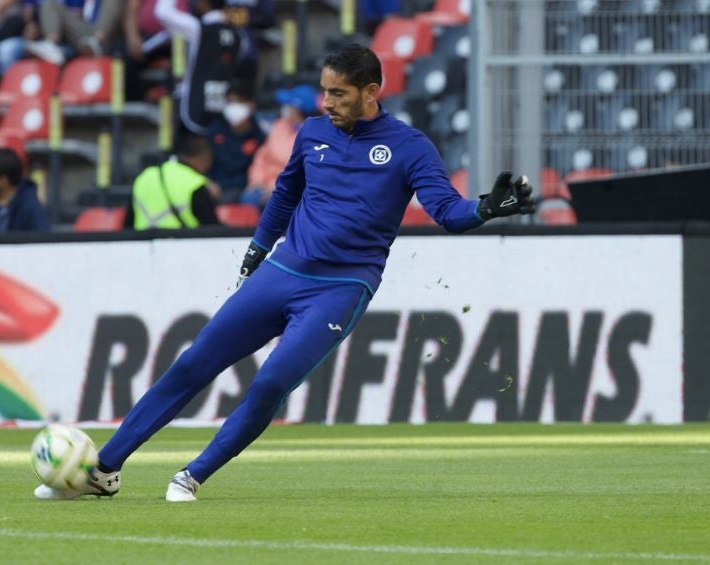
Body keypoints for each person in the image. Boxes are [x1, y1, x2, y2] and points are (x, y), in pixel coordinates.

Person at [33, 43, 534, 503]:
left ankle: (193, 474)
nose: (327, 102)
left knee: (270, 382)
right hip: (283, 270)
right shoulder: (311, 133)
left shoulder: (409, 147)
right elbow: (285, 196)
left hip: (342, 287)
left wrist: (487, 207)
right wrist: (256, 251)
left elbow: (447, 212)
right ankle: (105, 470)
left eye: (339, 93)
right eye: (324, 91)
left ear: (371, 93)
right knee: (194, 363)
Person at [155, 0, 247, 134]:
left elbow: (162, 12)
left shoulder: (198, 29)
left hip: (193, 108)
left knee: (186, 152)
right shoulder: (239, 36)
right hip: (221, 115)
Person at [242, 84, 318, 208]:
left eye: (290, 105)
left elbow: (304, 172)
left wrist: (277, 186)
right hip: (264, 185)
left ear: (297, 109)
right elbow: (262, 156)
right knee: (248, 198)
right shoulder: (280, 125)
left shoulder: (314, 134)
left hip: (290, 190)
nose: (286, 108)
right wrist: (256, 181)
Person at [124, 134, 221, 229]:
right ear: (205, 157)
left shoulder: (143, 177)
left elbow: (128, 226)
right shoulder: (194, 184)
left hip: (144, 242)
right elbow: (212, 230)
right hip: (180, 243)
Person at [205, 83, 265, 199]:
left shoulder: (260, 136)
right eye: (229, 102)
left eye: (238, 102)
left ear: (251, 106)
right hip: (212, 186)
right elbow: (204, 161)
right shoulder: (215, 131)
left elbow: (257, 168)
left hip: (242, 188)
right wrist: (207, 182)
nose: (233, 107)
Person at [25, 0, 123, 65]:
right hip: (82, 37)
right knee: (50, 4)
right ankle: (51, 45)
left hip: (107, 39)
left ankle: (97, 42)